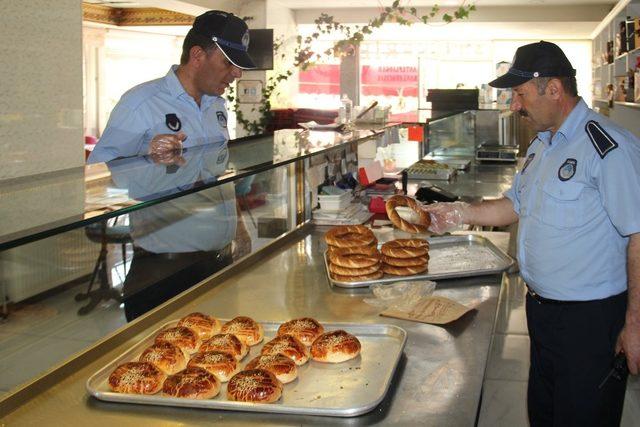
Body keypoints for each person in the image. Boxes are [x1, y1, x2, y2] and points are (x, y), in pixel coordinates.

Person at [424, 41, 640, 426]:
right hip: (541, 313)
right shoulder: (543, 145)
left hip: (591, 323)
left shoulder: (609, 148)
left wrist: (636, 325)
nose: (515, 106)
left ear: (553, 89)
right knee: (545, 413)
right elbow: (513, 206)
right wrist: (457, 213)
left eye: (520, 95)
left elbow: (639, 235)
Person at [87, 10, 255, 320]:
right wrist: (145, 158)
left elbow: (220, 175)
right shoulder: (141, 103)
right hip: (163, 269)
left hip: (217, 261)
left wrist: (239, 227)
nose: (236, 74)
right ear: (197, 55)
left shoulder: (216, 106)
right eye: (228, 64)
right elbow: (97, 180)